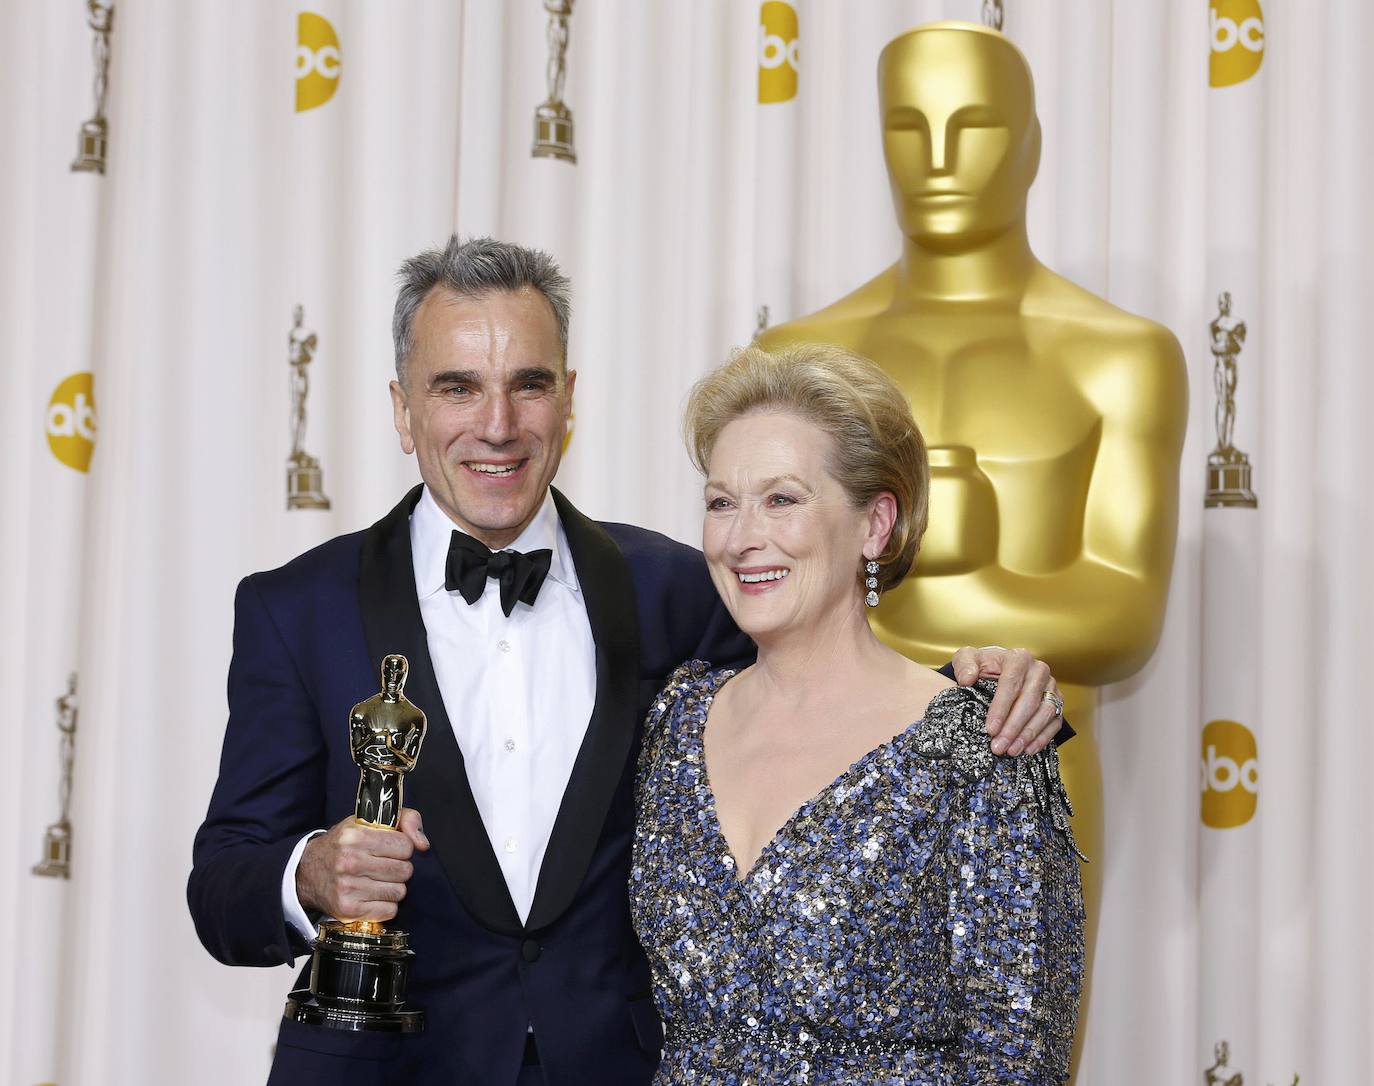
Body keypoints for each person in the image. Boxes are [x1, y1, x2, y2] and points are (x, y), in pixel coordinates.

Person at [187, 236, 1068, 1086]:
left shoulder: (678, 589)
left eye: (528, 385)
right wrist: (307, 874)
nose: (498, 425)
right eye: (458, 387)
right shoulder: (295, 607)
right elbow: (222, 880)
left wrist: (978, 686)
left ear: (569, 399)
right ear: (402, 408)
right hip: (383, 1070)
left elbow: (824, 679)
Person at [632, 343, 1084, 1083]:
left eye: (782, 498)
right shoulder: (676, 718)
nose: (743, 536)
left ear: (876, 524)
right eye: (722, 501)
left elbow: (1017, 1063)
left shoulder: (981, 743)